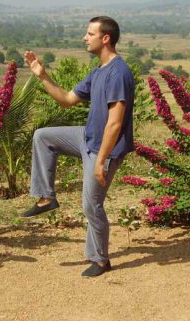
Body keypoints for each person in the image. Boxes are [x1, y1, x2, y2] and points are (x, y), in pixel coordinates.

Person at [23, 16, 135, 277]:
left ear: (105, 38)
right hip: (86, 137)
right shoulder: (97, 72)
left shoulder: (118, 73)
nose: (85, 38)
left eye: (89, 33)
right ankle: (46, 197)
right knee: (43, 136)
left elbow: (115, 123)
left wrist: (100, 160)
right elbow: (67, 100)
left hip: (103, 148)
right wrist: (43, 76)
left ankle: (101, 260)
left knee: (91, 204)